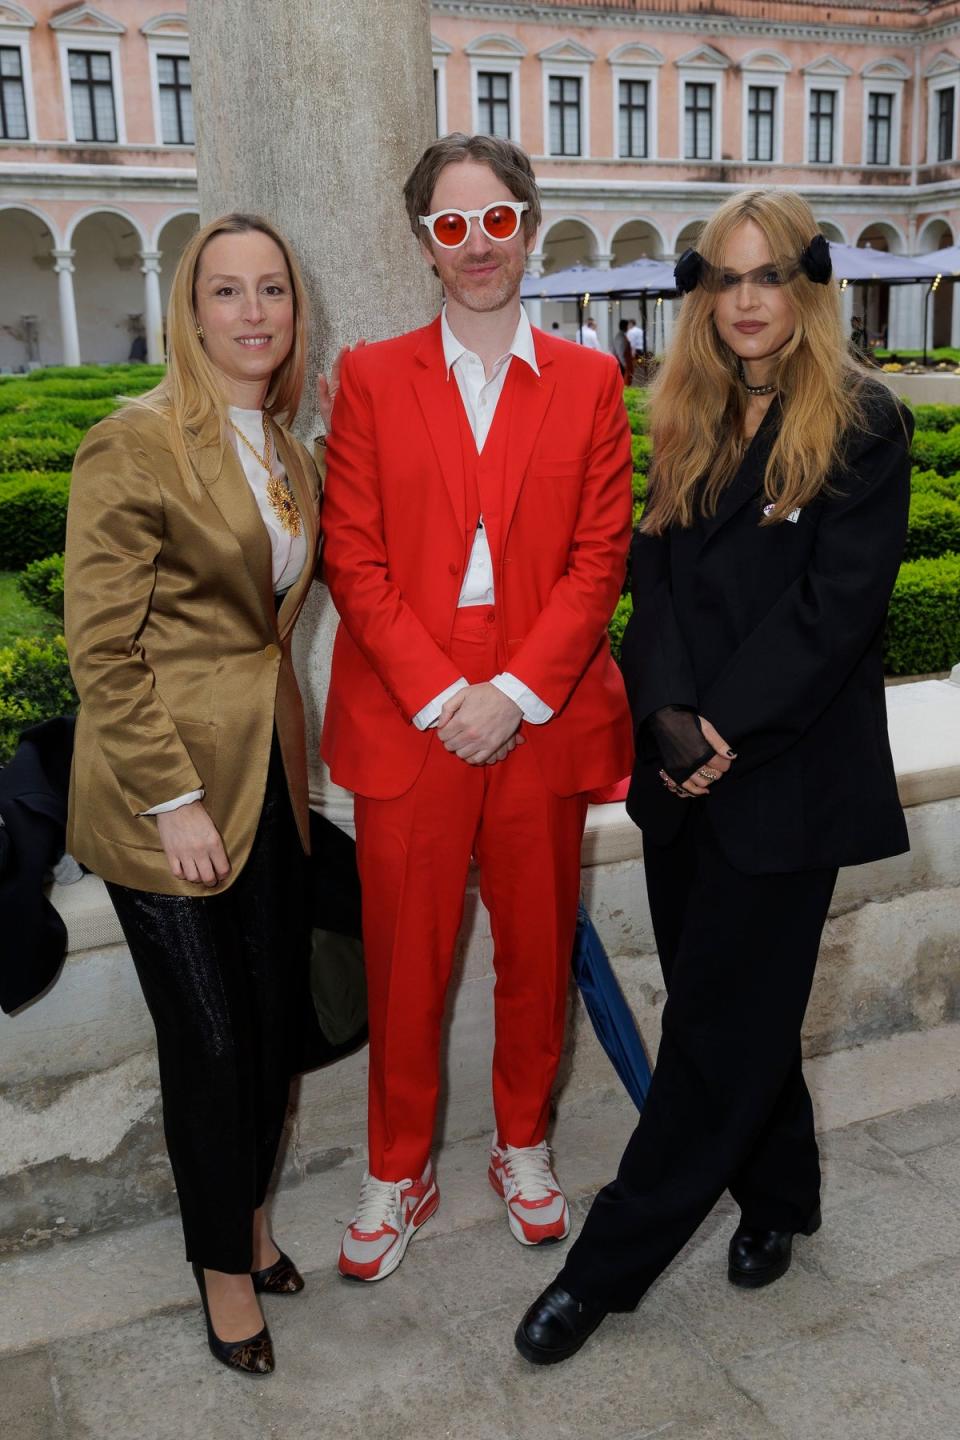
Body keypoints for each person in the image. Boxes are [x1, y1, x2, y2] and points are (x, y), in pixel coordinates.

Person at [514, 187, 913, 1363]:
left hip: (785, 785)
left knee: (708, 1039)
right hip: (684, 778)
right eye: (726, 279)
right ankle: (783, 1195)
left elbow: (834, 614)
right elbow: (664, 589)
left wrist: (721, 729)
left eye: (769, 275)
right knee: (742, 1017)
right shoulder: (685, 413)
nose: (747, 301)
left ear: (807, 285)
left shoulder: (862, 421)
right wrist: (670, 721)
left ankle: (607, 1270)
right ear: (703, 293)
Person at [320, 132, 633, 1283]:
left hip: (536, 704)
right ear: (424, 246)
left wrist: (512, 691)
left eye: (496, 219)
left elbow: (600, 557)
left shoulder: (593, 382)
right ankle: (397, 1167)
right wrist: (447, 692)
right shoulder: (368, 377)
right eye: (451, 227)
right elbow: (351, 556)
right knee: (406, 960)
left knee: (537, 949)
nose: (477, 247)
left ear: (528, 222)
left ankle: (522, 1143)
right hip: (416, 709)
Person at [65, 213, 335, 1376]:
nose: (253, 312)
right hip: (159, 796)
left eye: (270, 290)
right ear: (190, 310)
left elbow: (264, 633)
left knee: (273, 1030)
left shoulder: (285, 449)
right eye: (226, 292)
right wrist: (173, 797)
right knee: (214, 1045)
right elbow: (103, 648)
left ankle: (258, 1224)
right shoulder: (132, 443)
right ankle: (224, 1273)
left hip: (267, 775)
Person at [612, 317, 633, 383]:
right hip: (620, 363)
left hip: (621, 362)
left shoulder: (621, 336)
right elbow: (620, 353)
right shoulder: (621, 338)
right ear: (625, 326)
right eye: (627, 326)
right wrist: (625, 365)